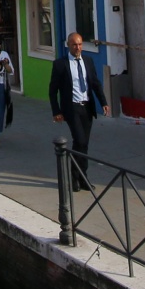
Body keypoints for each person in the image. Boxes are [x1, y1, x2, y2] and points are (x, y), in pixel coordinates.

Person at [49, 31, 108, 188]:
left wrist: (103, 102)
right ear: (68, 45)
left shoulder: (88, 61)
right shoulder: (60, 64)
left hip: (86, 107)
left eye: (80, 44)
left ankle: (82, 178)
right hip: (72, 108)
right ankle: (75, 178)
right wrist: (56, 111)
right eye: (74, 44)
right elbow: (53, 90)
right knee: (79, 140)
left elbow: (95, 83)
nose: (78, 47)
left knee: (84, 144)